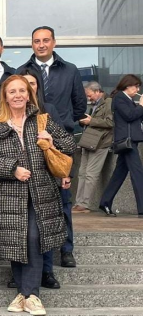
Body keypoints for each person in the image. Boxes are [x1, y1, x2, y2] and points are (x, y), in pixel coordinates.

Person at [0, 75, 76, 316]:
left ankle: (30, 294)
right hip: (9, 194)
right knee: (16, 241)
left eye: (22, 90)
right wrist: (12, 169)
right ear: (5, 96)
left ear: (29, 94)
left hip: (41, 192)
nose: (18, 95)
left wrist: (52, 141)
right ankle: (25, 293)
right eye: (12, 91)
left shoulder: (42, 120)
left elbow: (70, 145)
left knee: (33, 238)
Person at [17, 26, 87, 269]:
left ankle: (66, 249)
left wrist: (62, 125)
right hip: (31, 146)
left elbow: (80, 106)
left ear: (54, 42)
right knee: (36, 205)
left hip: (60, 143)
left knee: (63, 200)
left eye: (46, 40)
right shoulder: (22, 71)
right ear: (32, 44)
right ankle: (37, 260)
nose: (41, 44)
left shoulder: (69, 70)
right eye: (37, 41)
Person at [98, 74, 143, 217]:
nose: (137, 89)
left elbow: (136, 117)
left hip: (129, 141)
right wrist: (141, 106)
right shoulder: (119, 98)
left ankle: (105, 202)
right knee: (138, 174)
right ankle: (142, 208)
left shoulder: (128, 100)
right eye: (136, 86)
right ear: (127, 85)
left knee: (119, 174)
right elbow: (129, 115)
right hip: (126, 141)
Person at [73, 82, 113, 213]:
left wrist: (91, 121)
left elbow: (111, 122)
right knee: (82, 173)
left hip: (101, 143)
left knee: (90, 174)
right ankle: (79, 202)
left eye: (90, 95)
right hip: (89, 141)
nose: (88, 98)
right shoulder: (95, 104)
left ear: (97, 92)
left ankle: (85, 204)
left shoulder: (108, 102)